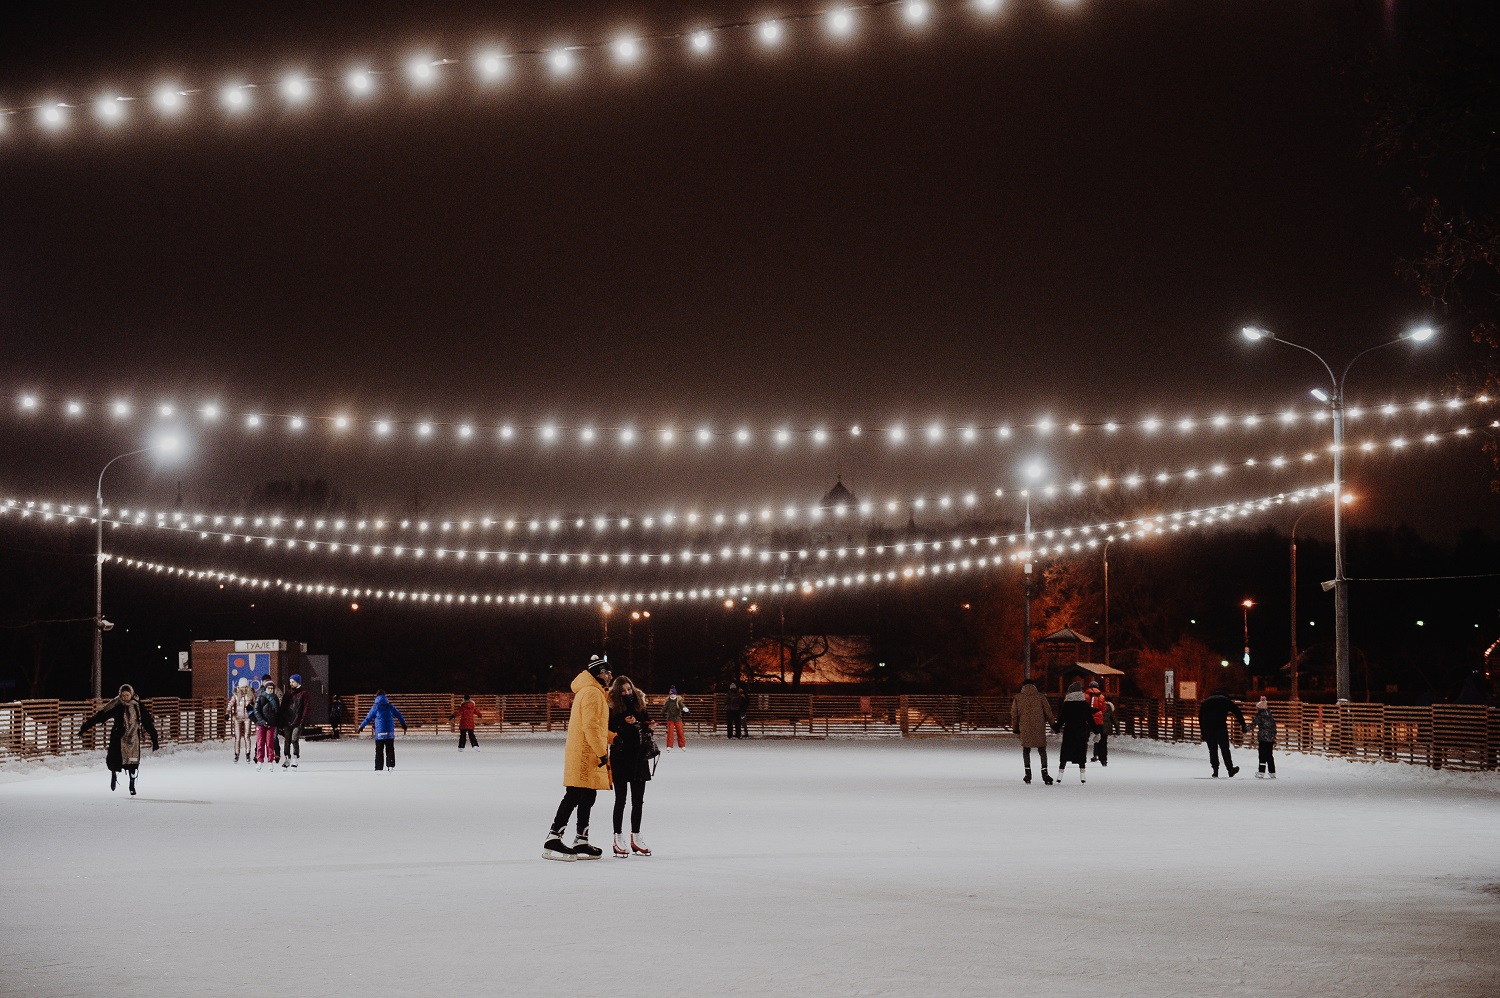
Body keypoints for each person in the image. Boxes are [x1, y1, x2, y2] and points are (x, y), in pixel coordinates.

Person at [544, 655, 613, 861]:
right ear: (599, 674)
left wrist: (613, 738)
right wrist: (602, 752)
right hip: (586, 752)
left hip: (588, 751)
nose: (610, 676)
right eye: (607, 672)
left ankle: (581, 839)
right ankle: (553, 838)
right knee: (574, 794)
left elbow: (597, 727)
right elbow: (590, 726)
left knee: (588, 796)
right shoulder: (592, 693)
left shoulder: (594, 692)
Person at [78, 684, 159, 795]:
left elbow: (148, 723)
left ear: (132, 694)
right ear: (120, 695)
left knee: (133, 763)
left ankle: (132, 783)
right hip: (118, 737)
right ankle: (114, 774)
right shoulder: (116, 705)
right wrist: (84, 728)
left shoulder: (138, 706)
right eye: (123, 695)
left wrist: (154, 740)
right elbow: (99, 717)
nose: (125, 697)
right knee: (115, 760)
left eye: (127, 695)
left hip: (133, 739)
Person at [608, 675, 655, 857]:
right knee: (621, 800)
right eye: (623, 691)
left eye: (628, 689)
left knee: (638, 800)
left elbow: (646, 725)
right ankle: (617, 837)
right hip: (620, 756)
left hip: (639, 756)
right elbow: (608, 729)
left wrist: (642, 724)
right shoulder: (612, 707)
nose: (627, 693)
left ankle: (636, 836)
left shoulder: (639, 704)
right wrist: (623, 725)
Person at [1009, 678, 1054, 785]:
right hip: (1039, 727)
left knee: (1026, 750)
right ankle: (1045, 773)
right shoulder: (1041, 697)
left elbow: (1014, 714)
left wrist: (1015, 728)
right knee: (1042, 750)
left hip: (1024, 728)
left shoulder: (1018, 698)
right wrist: (1053, 725)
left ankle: (1028, 774)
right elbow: (1048, 712)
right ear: (1034, 686)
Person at [1198, 688, 1247, 777]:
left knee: (1212, 750)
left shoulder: (1206, 702)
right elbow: (1237, 712)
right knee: (1225, 749)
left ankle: (1215, 770)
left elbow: (1200, 717)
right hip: (1221, 728)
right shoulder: (1225, 701)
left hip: (1208, 729)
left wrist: (1203, 732)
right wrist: (1243, 725)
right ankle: (1230, 769)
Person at [358, 690, 408, 771]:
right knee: (390, 749)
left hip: (379, 733)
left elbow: (368, 718)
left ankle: (378, 768)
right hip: (389, 733)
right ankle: (391, 765)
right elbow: (399, 715)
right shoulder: (390, 706)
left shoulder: (375, 707)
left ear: (377, 697)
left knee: (379, 751)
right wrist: (403, 724)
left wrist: (361, 726)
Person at [1054, 681, 1093, 784]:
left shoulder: (1067, 704)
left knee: (1065, 753)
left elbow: (1062, 718)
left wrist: (1056, 728)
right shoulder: (1084, 704)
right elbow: (1090, 719)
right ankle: (1082, 775)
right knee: (1081, 753)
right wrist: (1097, 731)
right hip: (1081, 731)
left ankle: (1060, 774)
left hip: (1069, 732)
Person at [280, 674, 309, 769]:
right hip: (287, 720)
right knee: (287, 740)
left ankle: (295, 756)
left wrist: (302, 720)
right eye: (290, 682)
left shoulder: (303, 693)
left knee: (294, 739)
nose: (291, 683)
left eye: (293, 682)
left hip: (298, 720)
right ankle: (287, 758)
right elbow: (283, 707)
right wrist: (282, 719)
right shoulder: (288, 693)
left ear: (298, 682)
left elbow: (306, 708)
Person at [253, 676, 281, 770]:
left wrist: (276, 722)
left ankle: (270, 761)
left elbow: (277, 712)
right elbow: (256, 710)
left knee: (270, 743)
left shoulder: (275, 699)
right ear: (265, 688)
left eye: (272, 688)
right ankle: (260, 760)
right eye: (269, 688)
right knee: (260, 742)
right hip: (261, 724)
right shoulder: (261, 697)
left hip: (271, 724)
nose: (270, 690)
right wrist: (262, 721)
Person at [227, 677, 255, 763]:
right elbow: (230, 704)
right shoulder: (236, 695)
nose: (243, 689)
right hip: (237, 718)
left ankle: (248, 754)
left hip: (247, 718)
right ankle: (236, 754)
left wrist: (252, 707)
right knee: (237, 737)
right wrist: (227, 713)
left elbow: (256, 703)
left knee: (247, 736)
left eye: (245, 687)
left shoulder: (251, 694)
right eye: (242, 687)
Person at [1252, 696, 1278, 779]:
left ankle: (1261, 771)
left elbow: (1253, 724)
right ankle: (1272, 772)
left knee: (1262, 755)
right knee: (1269, 755)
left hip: (1263, 738)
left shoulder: (1259, 716)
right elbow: (1274, 727)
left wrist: (1245, 729)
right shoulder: (1270, 716)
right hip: (1270, 738)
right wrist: (1274, 735)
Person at [661, 686, 688, 750]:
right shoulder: (668, 702)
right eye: (671, 694)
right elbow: (664, 708)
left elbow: (682, 706)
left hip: (678, 719)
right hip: (670, 719)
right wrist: (662, 713)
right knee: (670, 733)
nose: (672, 695)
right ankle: (669, 746)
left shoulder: (678, 701)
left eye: (673, 694)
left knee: (680, 732)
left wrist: (685, 709)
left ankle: (682, 745)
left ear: (675, 694)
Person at [1086, 680, 1106, 763]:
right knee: (1098, 737)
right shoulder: (1101, 696)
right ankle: (1095, 755)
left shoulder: (1085, 696)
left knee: (1084, 737)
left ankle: (1082, 754)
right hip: (1098, 720)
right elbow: (1104, 708)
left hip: (1087, 719)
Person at [1095, 699, 1117, 767]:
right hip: (1106, 729)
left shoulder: (1099, 710)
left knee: (1098, 742)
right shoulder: (1110, 712)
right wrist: (1117, 729)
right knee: (1104, 743)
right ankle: (1104, 758)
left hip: (1099, 727)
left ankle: (1097, 755)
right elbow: (1114, 721)